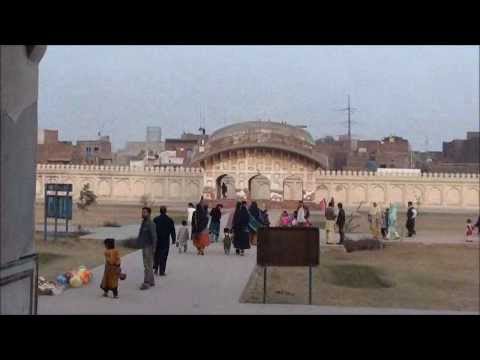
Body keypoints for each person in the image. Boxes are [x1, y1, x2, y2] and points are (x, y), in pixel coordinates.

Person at [137, 207, 157, 290]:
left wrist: (154, 247)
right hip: (144, 246)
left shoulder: (151, 223)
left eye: (144, 212)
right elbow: (141, 234)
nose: (142, 214)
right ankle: (151, 281)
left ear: (149, 213)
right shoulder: (144, 222)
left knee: (147, 265)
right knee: (148, 265)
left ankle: (146, 283)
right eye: (142, 212)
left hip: (149, 247)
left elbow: (154, 236)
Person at [153, 206, 176, 276]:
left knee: (156, 254)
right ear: (166, 211)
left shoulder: (155, 219)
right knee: (164, 256)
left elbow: (152, 230)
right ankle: (162, 271)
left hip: (156, 240)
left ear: (160, 211)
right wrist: (173, 239)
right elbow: (172, 230)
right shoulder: (170, 220)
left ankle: (156, 269)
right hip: (165, 240)